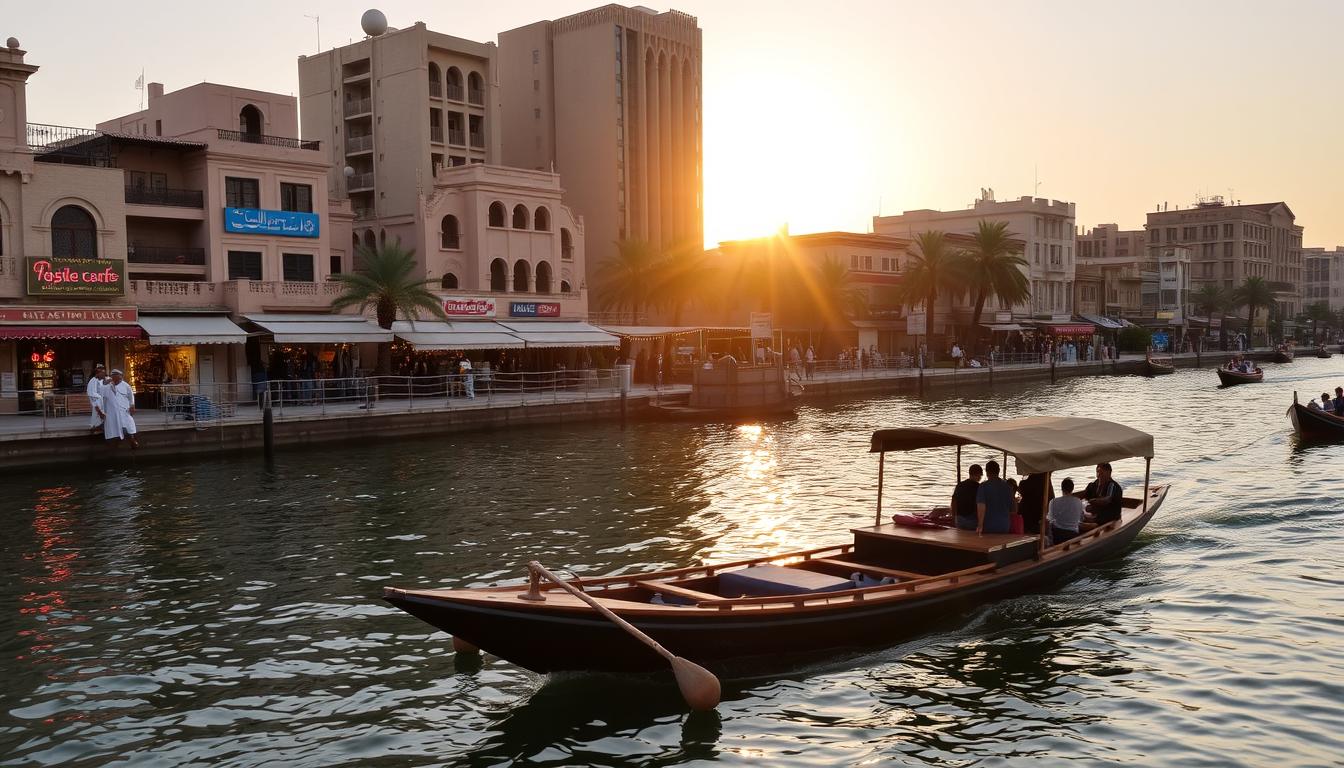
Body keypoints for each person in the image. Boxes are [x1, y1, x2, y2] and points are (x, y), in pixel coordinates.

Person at [101, 368, 138, 448]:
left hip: (125, 410)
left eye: (119, 379)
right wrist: (106, 383)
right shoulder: (108, 386)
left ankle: (132, 440)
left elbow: (131, 396)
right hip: (112, 411)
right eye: (116, 379)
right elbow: (101, 394)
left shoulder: (126, 385)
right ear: (112, 378)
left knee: (129, 424)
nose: (118, 380)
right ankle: (115, 443)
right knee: (114, 427)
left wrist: (132, 406)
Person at [975, 459, 1014, 534]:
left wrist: (980, 525)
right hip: (1004, 525)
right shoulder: (1008, 487)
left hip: (988, 526)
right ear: (999, 471)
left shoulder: (983, 486)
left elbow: (981, 507)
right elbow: (1013, 509)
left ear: (986, 472)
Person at [1082, 462, 1123, 526]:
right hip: (1094, 513)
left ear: (1109, 473)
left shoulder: (1112, 486)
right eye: (1097, 472)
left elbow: (1107, 500)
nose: (1099, 475)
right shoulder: (1092, 485)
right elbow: (1084, 498)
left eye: (1101, 473)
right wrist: (1085, 505)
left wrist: (1093, 501)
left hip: (1110, 517)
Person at [1048, 477, 1086, 544]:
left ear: (1061, 488)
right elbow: (1081, 519)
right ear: (1072, 489)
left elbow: (1050, 519)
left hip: (1057, 535)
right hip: (1073, 535)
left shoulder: (1053, 502)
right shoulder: (1079, 502)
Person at [951, 464, 983, 531]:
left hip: (959, 521)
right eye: (980, 475)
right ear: (978, 474)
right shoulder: (979, 487)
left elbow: (953, 502)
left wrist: (954, 518)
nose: (980, 477)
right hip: (972, 521)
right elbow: (981, 505)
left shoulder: (959, 485)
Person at [86, 363, 107, 436]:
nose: (104, 375)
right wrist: (99, 400)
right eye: (103, 373)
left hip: (101, 402)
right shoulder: (92, 381)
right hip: (97, 402)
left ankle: (100, 426)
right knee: (97, 416)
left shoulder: (100, 381)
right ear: (98, 373)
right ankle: (95, 427)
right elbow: (92, 394)